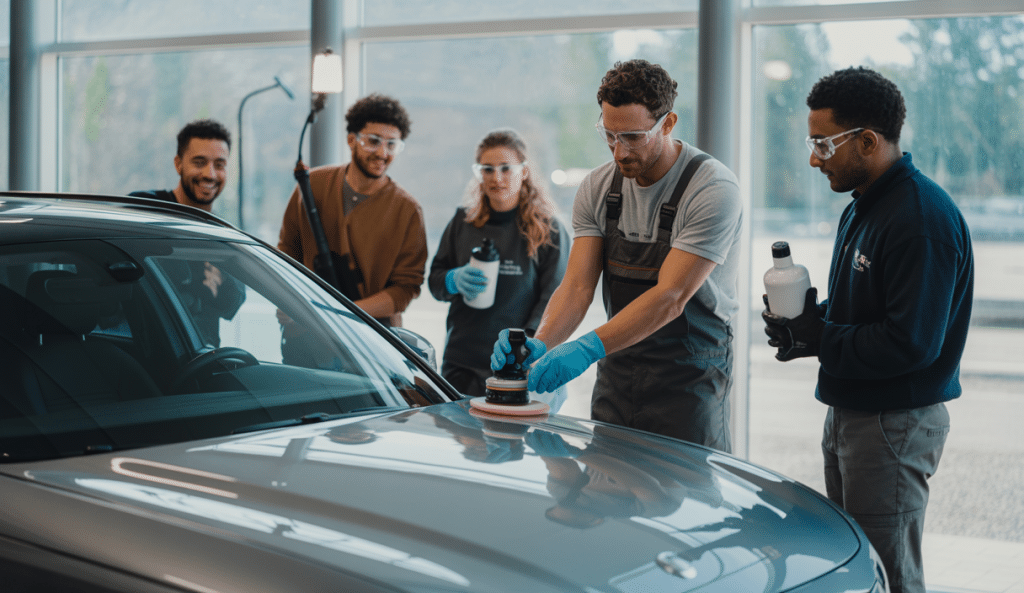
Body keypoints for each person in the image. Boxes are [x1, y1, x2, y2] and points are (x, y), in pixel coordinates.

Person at [762, 66, 974, 593]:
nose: (814, 158)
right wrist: (809, 325)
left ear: (868, 140)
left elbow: (911, 342)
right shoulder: (866, 207)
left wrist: (821, 337)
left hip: (893, 424)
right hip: (854, 413)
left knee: (889, 576)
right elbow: (866, 308)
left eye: (822, 144)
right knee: (857, 570)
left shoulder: (921, 219)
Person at [492, 59, 742, 451]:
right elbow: (576, 287)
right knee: (608, 491)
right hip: (619, 366)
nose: (619, 151)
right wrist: (541, 344)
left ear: (668, 123)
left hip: (688, 377)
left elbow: (671, 297)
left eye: (633, 137)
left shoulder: (711, 188)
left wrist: (587, 347)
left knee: (683, 499)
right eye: (609, 136)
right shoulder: (597, 188)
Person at [428, 129, 569, 401]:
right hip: (462, 362)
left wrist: (526, 349)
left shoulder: (548, 230)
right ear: (479, 173)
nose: (497, 178)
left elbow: (554, 300)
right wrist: (451, 280)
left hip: (517, 364)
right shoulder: (463, 221)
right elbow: (435, 282)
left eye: (506, 168)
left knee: (510, 440)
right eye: (488, 169)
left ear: (524, 171)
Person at [278, 93, 427, 328]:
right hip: (305, 333)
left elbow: (406, 288)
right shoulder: (311, 186)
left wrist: (340, 314)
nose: (382, 153)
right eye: (373, 140)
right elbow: (287, 253)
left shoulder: (407, 210)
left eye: (392, 144)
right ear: (351, 139)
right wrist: (287, 301)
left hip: (375, 339)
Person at [129, 119, 245, 347]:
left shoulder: (221, 231)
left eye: (219, 164)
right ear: (178, 164)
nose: (210, 174)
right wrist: (208, 281)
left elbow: (233, 301)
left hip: (202, 359)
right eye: (199, 162)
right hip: (145, 359)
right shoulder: (145, 209)